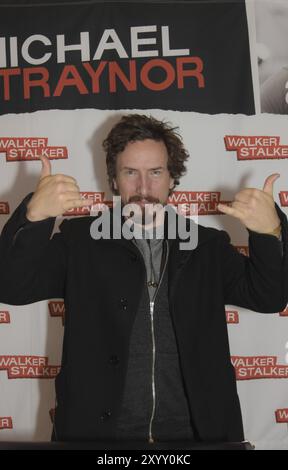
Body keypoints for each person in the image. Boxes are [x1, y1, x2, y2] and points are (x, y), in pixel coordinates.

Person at [0, 114, 287, 444]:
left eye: (155, 172)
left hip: (196, 436)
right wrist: (35, 217)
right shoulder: (80, 242)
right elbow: (12, 284)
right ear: (114, 179)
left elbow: (270, 297)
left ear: (171, 178)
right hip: (98, 436)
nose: (144, 188)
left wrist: (269, 233)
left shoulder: (207, 246)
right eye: (130, 172)